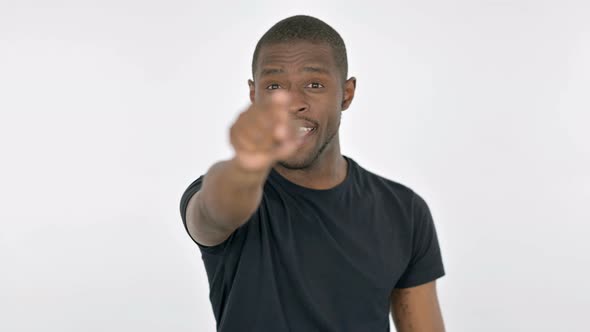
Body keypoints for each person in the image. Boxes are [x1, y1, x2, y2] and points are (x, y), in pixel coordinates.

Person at [179, 14, 446, 332]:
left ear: (346, 94)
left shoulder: (404, 210)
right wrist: (247, 162)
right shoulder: (223, 191)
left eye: (314, 84)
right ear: (254, 96)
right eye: (274, 85)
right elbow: (216, 211)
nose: (293, 104)